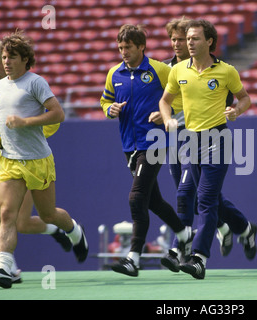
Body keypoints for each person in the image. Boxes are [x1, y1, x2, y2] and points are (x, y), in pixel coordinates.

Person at [0, 31, 88, 289]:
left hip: (38, 161)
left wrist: (25, 122)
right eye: (3, 57)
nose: (5, 62)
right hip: (9, 161)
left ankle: (74, 230)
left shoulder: (36, 82)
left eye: (11, 57)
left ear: (25, 59)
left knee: (49, 215)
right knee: (6, 214)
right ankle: (6, 268)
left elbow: (58, 114)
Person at [160, 17, 257, 273]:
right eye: (187, 38)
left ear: (209, 41)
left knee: (204, 199)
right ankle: (244, 228)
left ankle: (199, 258)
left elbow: (245, 98)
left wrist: (237, 110)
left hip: (217, 139)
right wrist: (168, 118)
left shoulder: (226, 71)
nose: (189, 43)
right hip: (190, 139)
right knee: (195, 198)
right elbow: (165, 100)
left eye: (195, 38)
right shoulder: (178, 70)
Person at [100, 24, 192, 278]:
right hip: (129, 145)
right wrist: (110, 109)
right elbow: (105, 100)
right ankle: (184, 234)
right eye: (120, 48)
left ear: (141, 46)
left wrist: (166, 114)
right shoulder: (114, 74)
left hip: (154, 142)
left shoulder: (160, 70)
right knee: (153, 200)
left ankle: (133, 257)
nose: (123, 52)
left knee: (136, 198)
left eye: (128, 47)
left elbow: (183, 99)